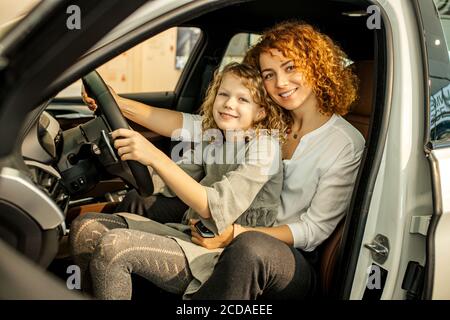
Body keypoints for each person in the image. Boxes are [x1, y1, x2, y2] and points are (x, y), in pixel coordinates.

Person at [81, 20, 365, 299]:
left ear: (316, 67)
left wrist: (235, 234)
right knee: (130, 207)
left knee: (250, 247)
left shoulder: (345, 144)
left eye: (290, 68)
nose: (280, 82)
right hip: (229, 220)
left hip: (288, 260)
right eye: (268, 74)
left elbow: (313, 230)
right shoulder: (270, 119)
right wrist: (117, 103)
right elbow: (193, 125)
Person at [70, 62, 289, 299]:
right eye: (223, 94)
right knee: (85, 228)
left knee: (114, 248)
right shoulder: (215, 138)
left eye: (243, 100)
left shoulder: (265, 148)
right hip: (191, 233)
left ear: (261, 112)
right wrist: (123, 160)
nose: (229, 104)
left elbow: (213, 206)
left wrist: (154, 155)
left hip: (222, 254)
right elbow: (172, 179)